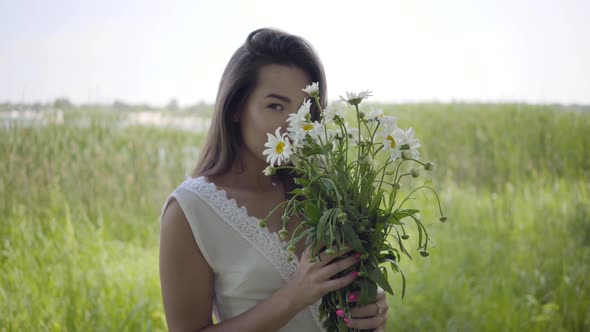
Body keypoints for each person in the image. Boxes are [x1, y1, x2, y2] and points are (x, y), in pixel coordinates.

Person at [159, 27, 390, 332]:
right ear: (236, 108)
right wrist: (294, 296)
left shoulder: (326, 192)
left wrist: (370, 307)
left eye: (305, 110)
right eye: (275, 106)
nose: (294, 125)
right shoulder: (190, 211)